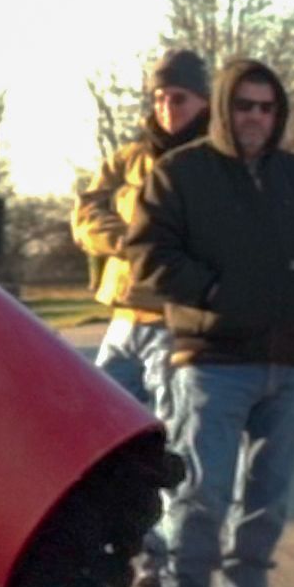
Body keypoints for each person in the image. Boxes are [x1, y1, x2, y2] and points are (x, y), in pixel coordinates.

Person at [123, 58, 294, 587]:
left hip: (289, 364)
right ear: (224, 109)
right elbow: (147, 256)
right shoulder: (180, 174)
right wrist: (213, 292)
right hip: (212, 366)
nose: (255, 117)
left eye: (266, 107)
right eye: (244, 105)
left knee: (265, 506)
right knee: (201, 500)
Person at [73, 49, 211, 413]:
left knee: (171, 430)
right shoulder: (128, 159)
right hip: (122, 319)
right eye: (159, 97)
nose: (167, 107)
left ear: (205, 101)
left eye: (179, 98)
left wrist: (131, 214)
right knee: (101, 420)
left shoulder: (215, 163)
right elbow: (86, 212)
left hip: (175, 324)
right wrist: (125, 240)